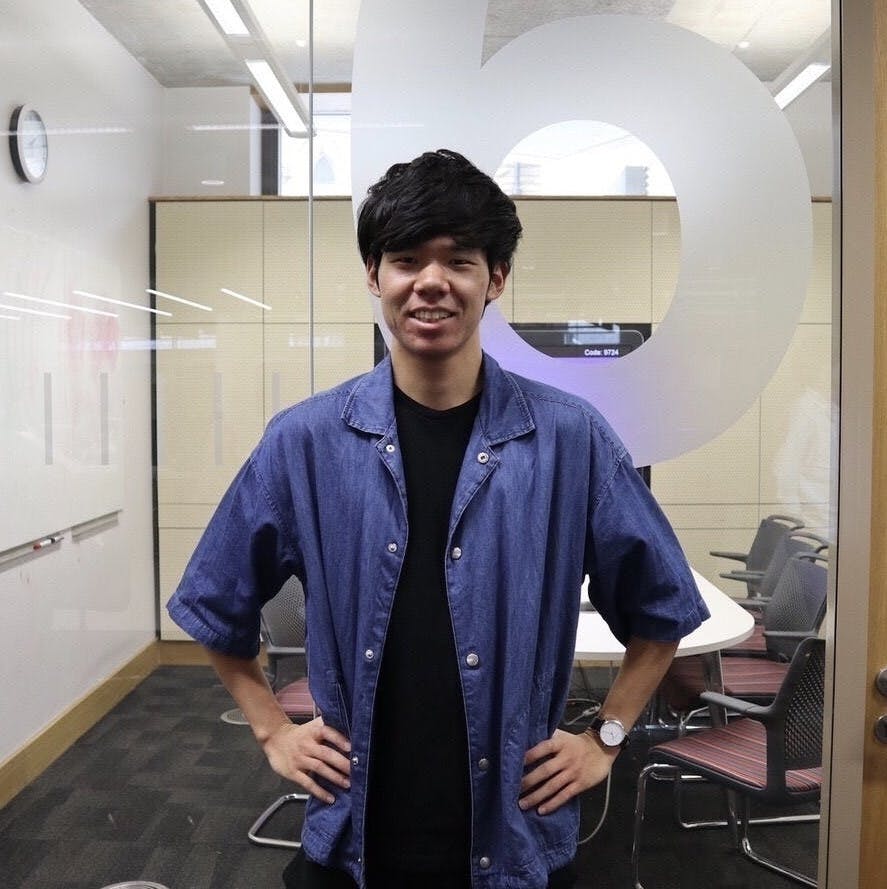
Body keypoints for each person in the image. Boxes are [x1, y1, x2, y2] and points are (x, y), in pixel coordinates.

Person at [167, 148, 709, 889]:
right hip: (355, 831)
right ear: (374, 275)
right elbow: (214, 597)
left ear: (496, 278)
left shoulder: (569, 439)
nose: (430, 281)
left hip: (512, 832)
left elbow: (663, 606)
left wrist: (606, 735)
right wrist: (271, 728)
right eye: (405, 259)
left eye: (458, 260)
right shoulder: (306, 442)